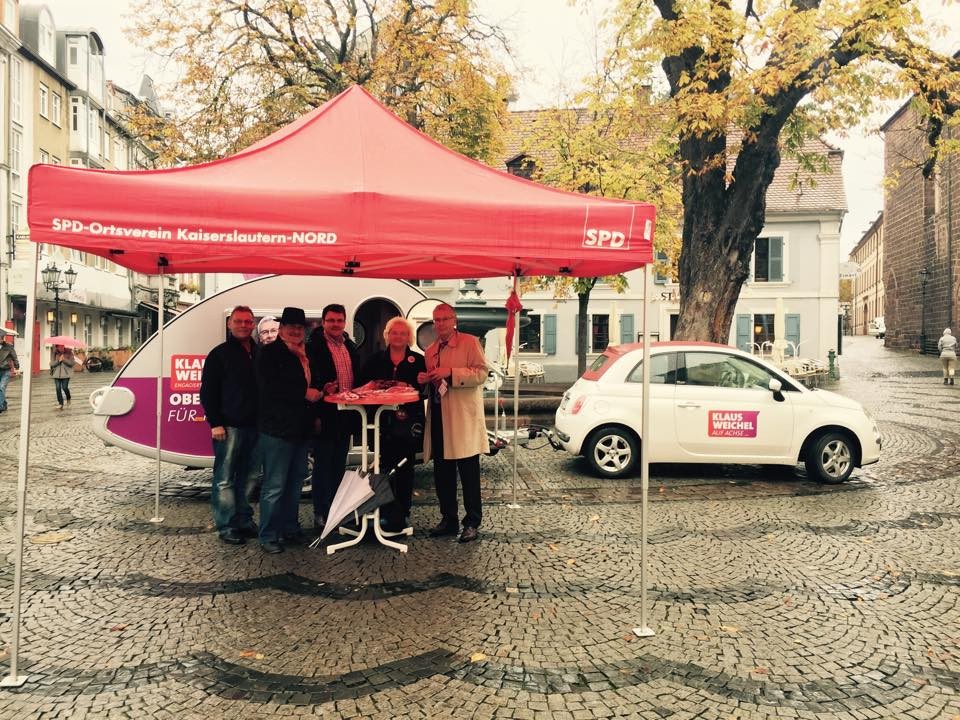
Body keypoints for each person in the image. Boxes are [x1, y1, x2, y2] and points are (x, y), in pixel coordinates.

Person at [417, 303, 489, 543]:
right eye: (437, 320)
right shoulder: (430, 350)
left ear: (454, 319)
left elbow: (481, 374)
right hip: (438, 416)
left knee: (468, 473)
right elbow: (434, 384)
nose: (440, 324)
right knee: (442, 473)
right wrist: (425, 379)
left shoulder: (470, 342)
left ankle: (472, 521)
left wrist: (451, 372)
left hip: (462, 418)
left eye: (445, 319)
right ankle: (448, 519)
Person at [256, 306, 321, 553]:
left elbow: (310, 385)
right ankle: (269, 535)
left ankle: (290, 528)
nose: (295, 331)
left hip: (300, 429)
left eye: (298, 327)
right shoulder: (270, 353)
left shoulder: (305, 354)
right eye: (290, 327)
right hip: (277, 430)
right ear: (281, 330)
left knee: (295, 482)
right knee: (274, 485)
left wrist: (314, 412)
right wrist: (305, 393)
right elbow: (270, 389)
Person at [357, 317, 426, 532]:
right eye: (394, 333)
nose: (398, 336)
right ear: (387, 335)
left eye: (403, 333)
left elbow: (423, 393)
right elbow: (362, 388)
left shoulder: (419, 360)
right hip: (382, 423)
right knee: (383, 468)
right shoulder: (374, 360)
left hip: (408, 425)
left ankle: (402, 513)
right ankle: (385, 512)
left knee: (405, 469)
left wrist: (421, 384)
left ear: (409, 337)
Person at [199, 306, 260, 545]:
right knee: (225, 478)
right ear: (229, 324)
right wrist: (216, 423)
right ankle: (226, 525)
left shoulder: (258, 352)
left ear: (253, 324)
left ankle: (243, 520)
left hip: (255, 426)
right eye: (238, 321)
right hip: (229, 426)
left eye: (247, 321)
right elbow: (208, 392)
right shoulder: (219, 354)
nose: (243, 325)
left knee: (251, 476)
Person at [307, 303, 359, 530]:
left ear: (344, 322)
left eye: (339, 320)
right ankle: (321, 512)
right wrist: (315, 414)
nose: (336, 324)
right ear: (323, 322)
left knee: (339, 466)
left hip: (346, 415)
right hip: (325, 414)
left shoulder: (350, 345)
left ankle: (336, 510)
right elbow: (309, 381)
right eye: (331, 321)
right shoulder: (313, 346)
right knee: (322, 467)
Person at [50, 344, 76, 410]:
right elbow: (52, 364)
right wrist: (59, 361)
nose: (60, 347)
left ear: (64, 346)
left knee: (65, 387)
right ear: (57, 347)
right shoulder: (54, 353)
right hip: (56, 374)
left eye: (62, 346)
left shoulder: (69, 352)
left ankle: (68, 398)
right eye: (59, 346)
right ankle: (60, 403)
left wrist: (64, 360)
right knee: (58, 388)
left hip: (66, 374)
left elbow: (72, 363)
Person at [0, 330, 19, 414]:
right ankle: (4, 404)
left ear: (2, 338)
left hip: (6, 370)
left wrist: (17, 367)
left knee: (1, 387)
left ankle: (0, 406)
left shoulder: (9, 347)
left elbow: (15, 357)